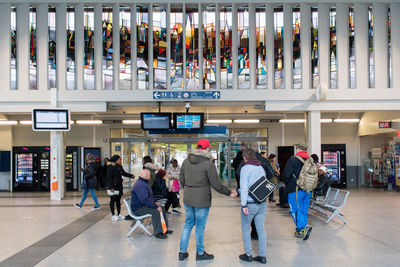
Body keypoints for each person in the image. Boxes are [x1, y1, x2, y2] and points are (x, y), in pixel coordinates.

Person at [178, 139, 237, 261]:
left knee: (188, 224)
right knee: (200, 226)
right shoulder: (208, 164)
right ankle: (200, 253)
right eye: (209, 148)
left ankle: (182, 252)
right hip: (202, 200)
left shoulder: (185, 162)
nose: (210, 149)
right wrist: (229, 192)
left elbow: (181, 180)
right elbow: (216, 184)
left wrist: (189, 189)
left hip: (188, 198)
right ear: (205, 149)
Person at [238, 148, 267, 264]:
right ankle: (262, 256)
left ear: (244, 158)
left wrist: (243, 204)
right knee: (261, 229)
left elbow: (245, 187)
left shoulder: (245, 168)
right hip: (262, 202)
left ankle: (248, 254)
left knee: (245, 228)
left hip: (250, 203)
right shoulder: (260, 167)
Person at [131, 169, 173, 239]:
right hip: (138, 209)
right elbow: (145, 200)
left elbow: (150, 196)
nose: (151, 176)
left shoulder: (143, 183)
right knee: (156, 211)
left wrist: (155, 201)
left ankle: (164, 229)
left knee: (162, 208)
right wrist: (155, 207)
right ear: (146, 176)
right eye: (150, 175)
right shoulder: (140, 185)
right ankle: (158, 232)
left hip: (142, 206)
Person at [283, 143, 313, 240]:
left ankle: (303, 227)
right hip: (308, 189)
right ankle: (300, 230)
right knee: (304, 210)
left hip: (295, 190)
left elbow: (286, 175)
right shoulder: (310, 160)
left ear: (297, 150)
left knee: (295, 210)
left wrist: (286, 182)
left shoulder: (293, 160)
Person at [107, 155, 135, 221]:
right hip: (113, 186)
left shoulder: (119, 166)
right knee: (112, 200)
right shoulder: (110, 167)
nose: (121, 161)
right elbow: (109, 177)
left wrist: (131, 176)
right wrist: (111, 187)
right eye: (120, 159)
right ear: (116, 160)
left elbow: (123, 173)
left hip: (119, 186)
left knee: (118, 201)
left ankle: (119, 214)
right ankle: (113, 215)